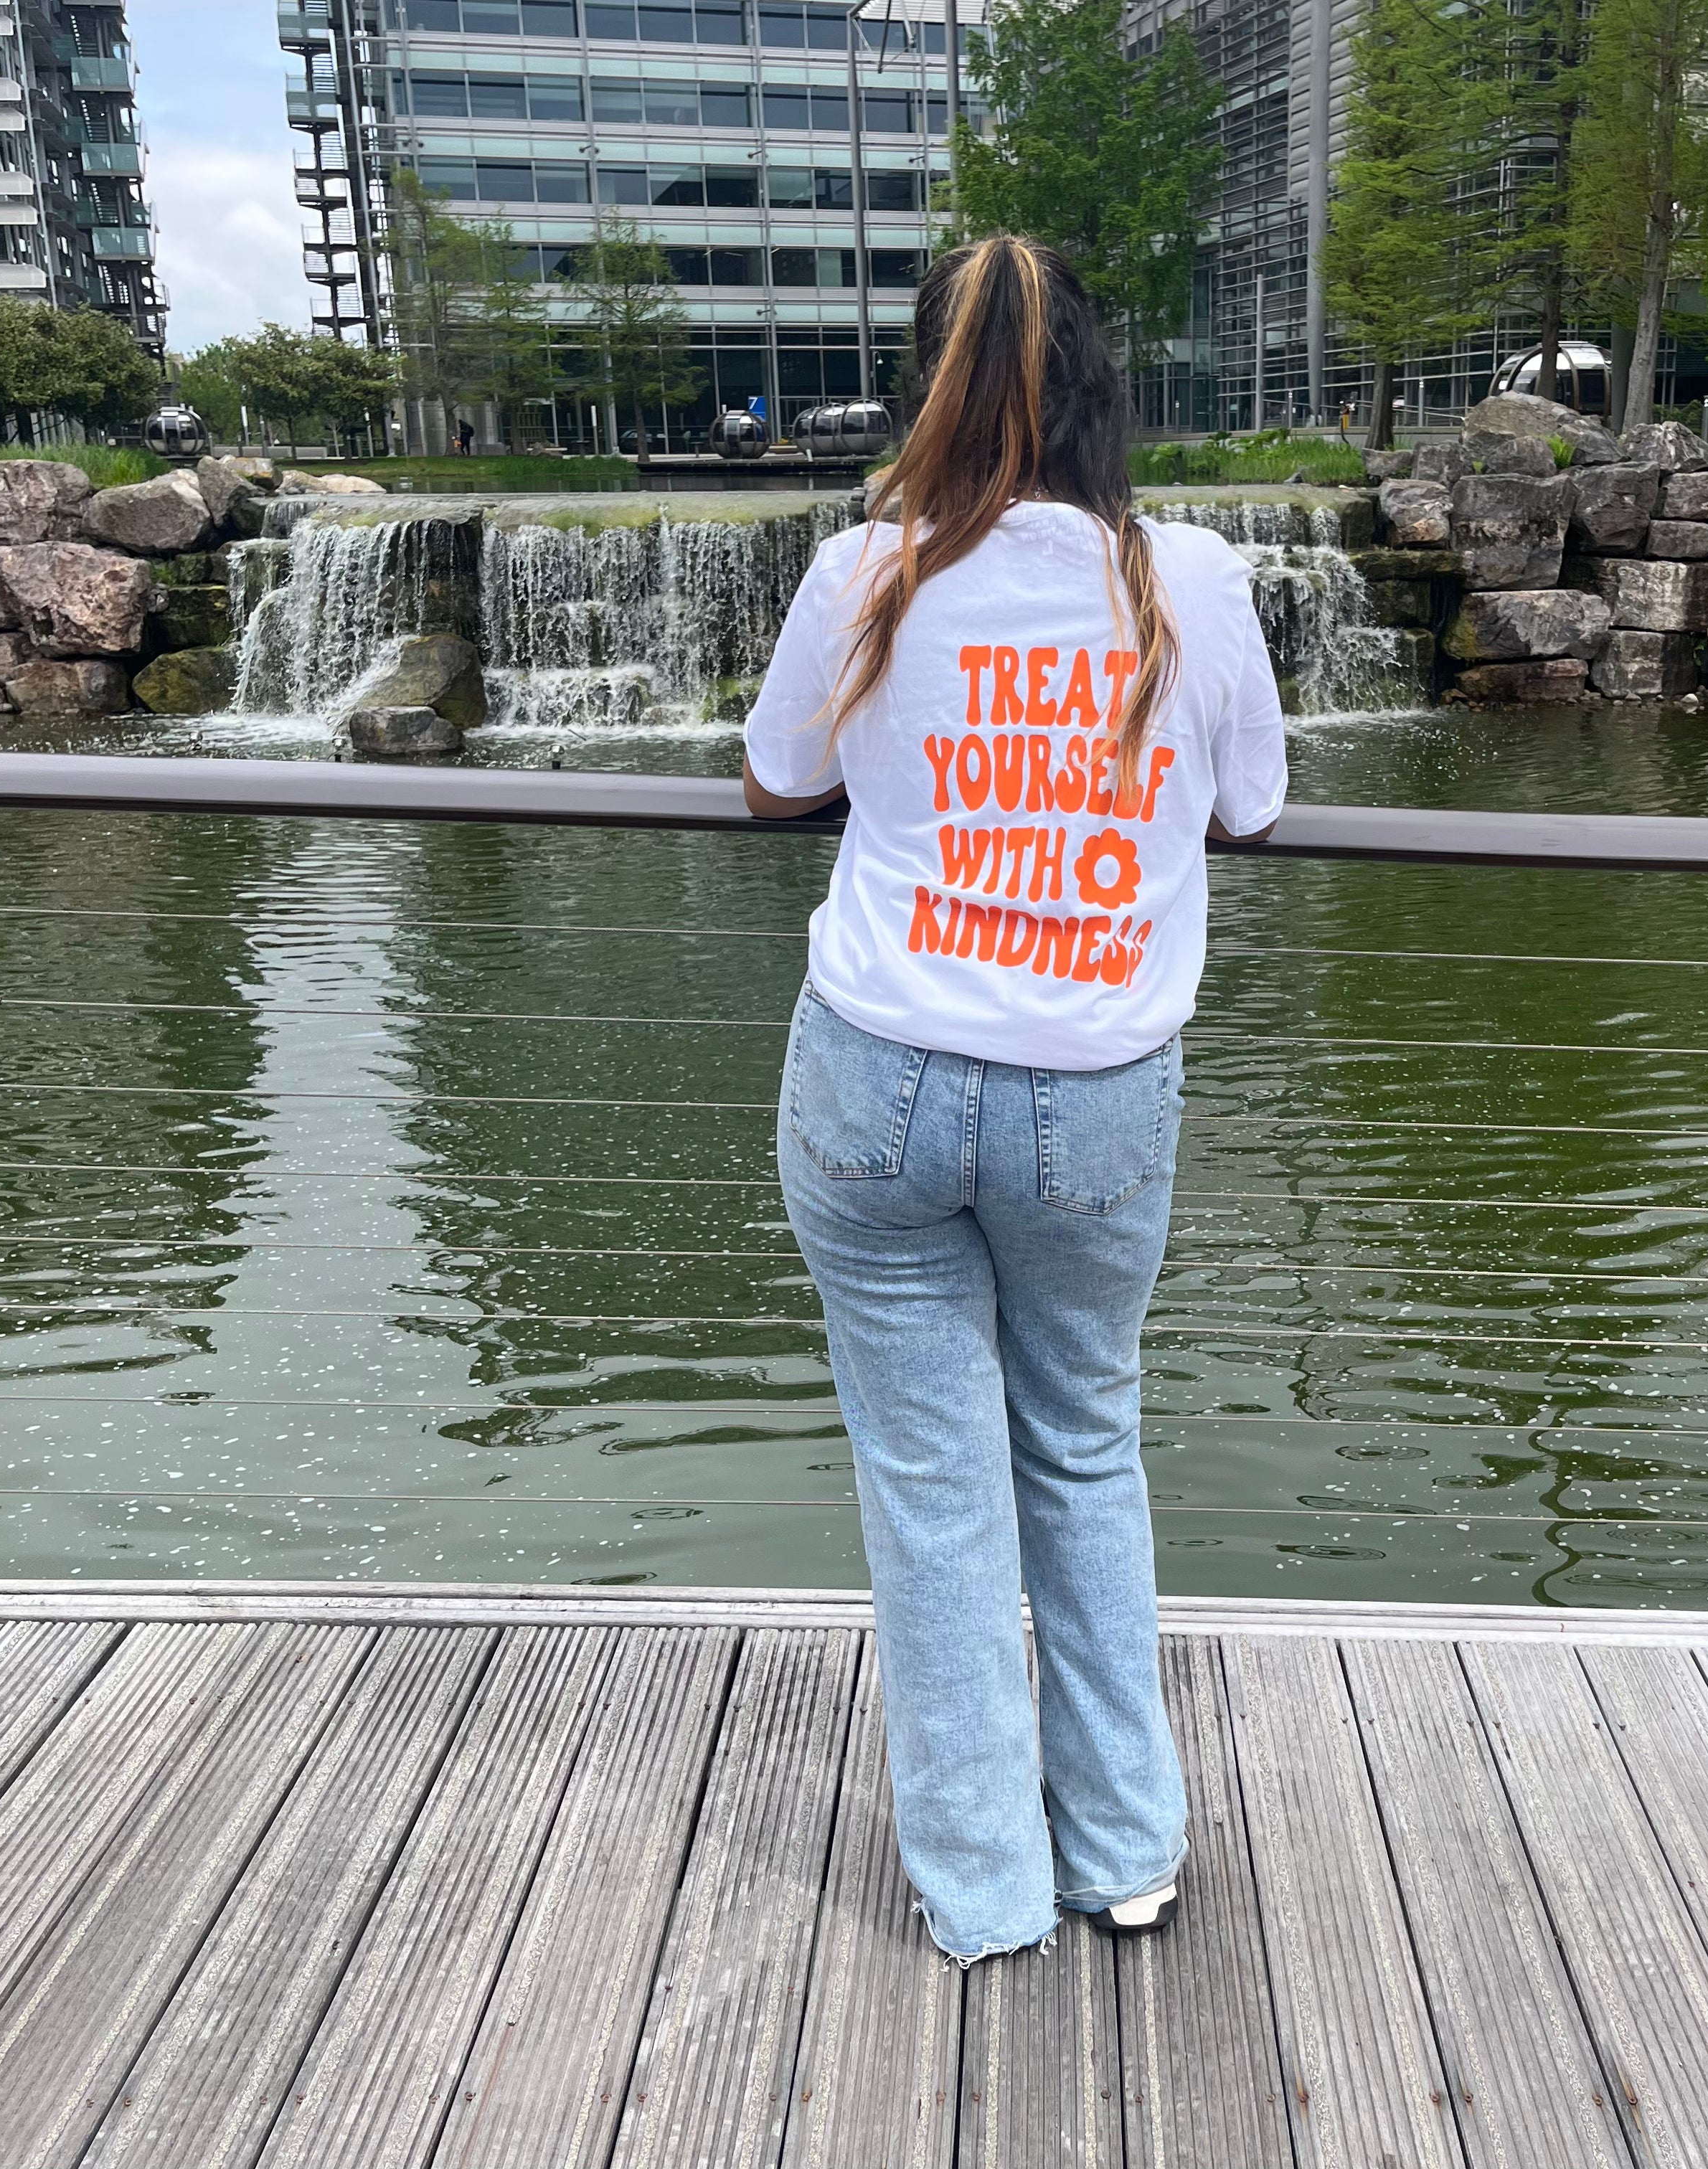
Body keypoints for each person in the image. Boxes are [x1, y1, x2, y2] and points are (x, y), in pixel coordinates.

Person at [742, 233, 1286, 1965]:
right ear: (1105, 395)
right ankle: (1124, 1852)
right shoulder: (1187, 575)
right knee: (1085, 1449)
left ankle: (979, 1891)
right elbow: (1253, 809)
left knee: (933, 1489)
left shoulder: (865, 572)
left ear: (930, 390)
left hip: (873, 1084)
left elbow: (775, 786)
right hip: (1097, 1104)